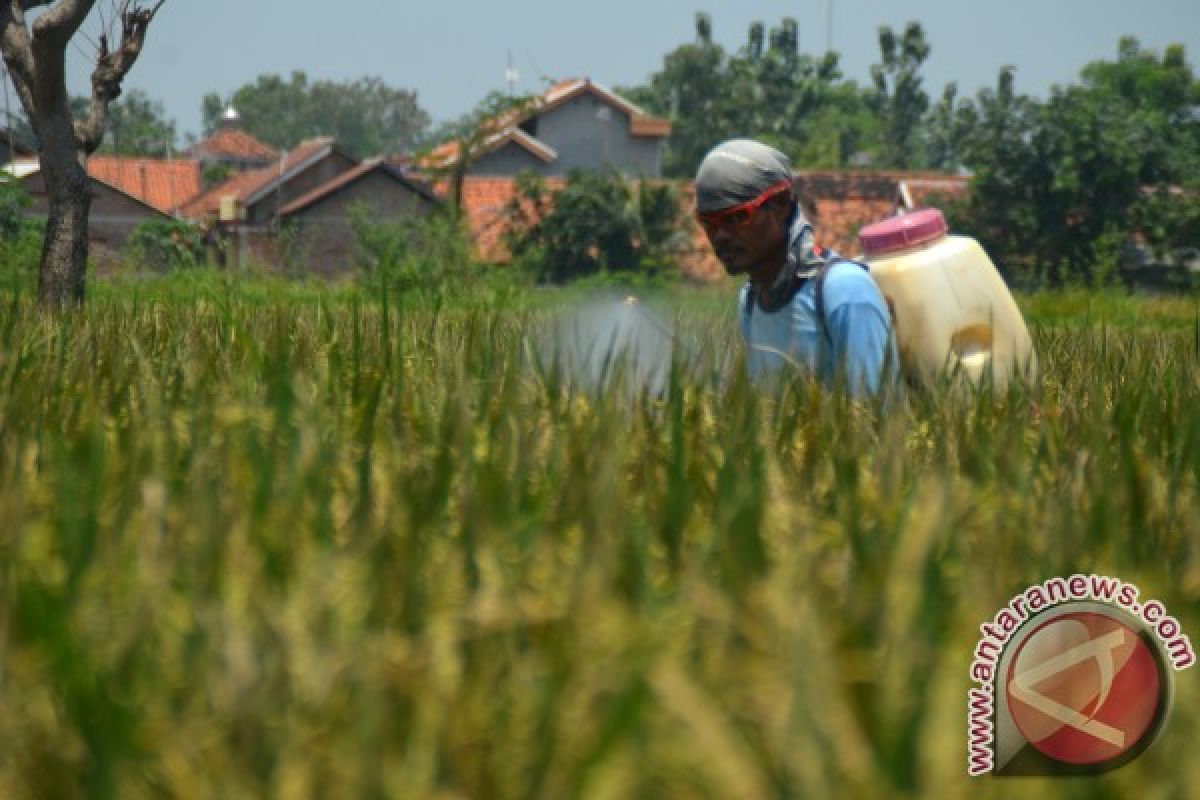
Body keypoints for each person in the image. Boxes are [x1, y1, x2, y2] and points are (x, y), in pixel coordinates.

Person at [695, 139, 899, 398]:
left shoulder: (845, 292)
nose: (721, 236)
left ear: (780, 205)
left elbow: (872, 420)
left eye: (737, 217)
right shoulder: (751, 301)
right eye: (709, 224)